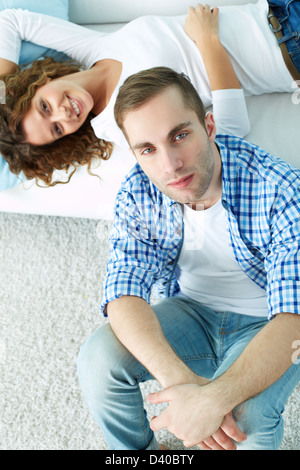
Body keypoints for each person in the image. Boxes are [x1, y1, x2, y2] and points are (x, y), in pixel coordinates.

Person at [76, 66, 300, 451]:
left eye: (180, 136)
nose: (170, 165)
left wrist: (213, 400)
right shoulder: (138, 190)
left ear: (209, 126)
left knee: (245, 417)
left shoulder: (280, 188)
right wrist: (181, 385)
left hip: (268, 323)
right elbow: (123, 294)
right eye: (148, 149)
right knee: (98, 360)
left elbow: (292, 318)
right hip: (192, 310)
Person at [0, 0, 298, 187]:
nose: (64, 114)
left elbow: (12, 20)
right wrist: (208, 40)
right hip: (291, 53)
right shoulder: (119, 124)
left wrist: (3, 87)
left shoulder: (91, 48)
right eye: (56, 129)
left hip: (275, 7)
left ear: (37, 83)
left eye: (44, 106)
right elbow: (231, 133)